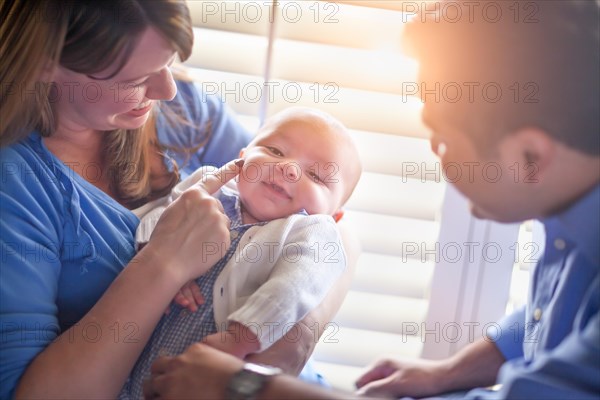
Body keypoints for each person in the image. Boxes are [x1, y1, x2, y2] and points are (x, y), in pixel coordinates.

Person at [143, 1, 599, 399]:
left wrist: (242, 386)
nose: (436, 158)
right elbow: (547, 314)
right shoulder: (569, 210)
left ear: (531, 157)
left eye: (444, 142)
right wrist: (449, 373)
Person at [0, 1, 357, 398]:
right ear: (45, 61)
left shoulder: (181, 106)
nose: (166, 88)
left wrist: (283, 349)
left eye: (168, 63)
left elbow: (331, 227)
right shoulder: (16, 185)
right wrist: (165, 263)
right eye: (135, 78)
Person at [119, 107, 362, 398]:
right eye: (275, 150)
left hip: (208, 372)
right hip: (130, 371)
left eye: (316, 175)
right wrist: (161, 256)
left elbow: (292, 290)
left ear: (334, 216)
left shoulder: (312, 234)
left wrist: (241, 338)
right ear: (242, 156)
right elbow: (160, 216)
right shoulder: (211, 184)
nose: (290, 168)